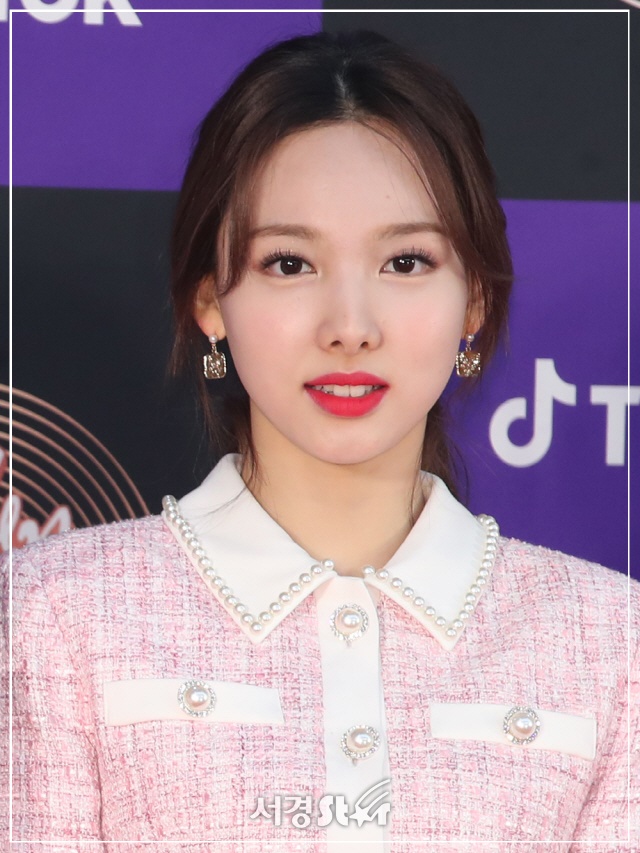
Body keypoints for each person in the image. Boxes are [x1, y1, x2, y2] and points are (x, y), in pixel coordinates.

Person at [4, 28, 639, 851]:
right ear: (211, 300)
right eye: (290, 263)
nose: (350, 326)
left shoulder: (611, 643)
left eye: (405, 262)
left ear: (475, 303)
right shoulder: (53, 613)